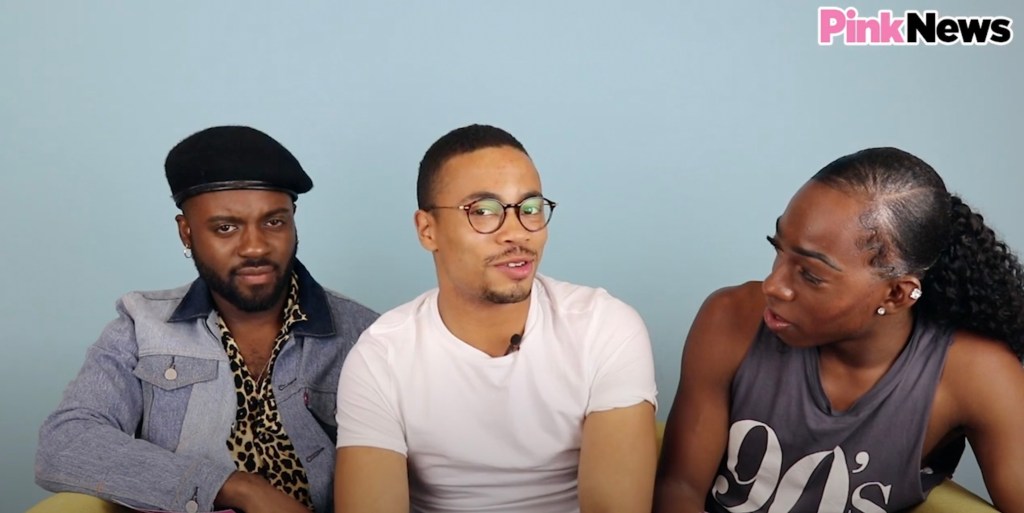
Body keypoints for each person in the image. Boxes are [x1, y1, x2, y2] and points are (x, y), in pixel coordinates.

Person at [654, 147, 1024, 513]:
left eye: (811, 275)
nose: (773, 285)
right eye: (778, 249)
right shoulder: (730, 318)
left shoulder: (976, 376)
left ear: (896, 294)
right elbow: (679, 487)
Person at [36, 125, 379, 513]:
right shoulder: (141, 325)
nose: (255, 247)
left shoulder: (366, 335)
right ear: (186, 233)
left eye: (274, 222)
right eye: (225, 228)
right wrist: (235, 487)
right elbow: (65, 443)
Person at [332, 124, 658, 513]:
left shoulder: (604, 328)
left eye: (531, 209)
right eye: (484, 212)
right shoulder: (380, 357)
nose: (516, 232)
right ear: (427, 230)